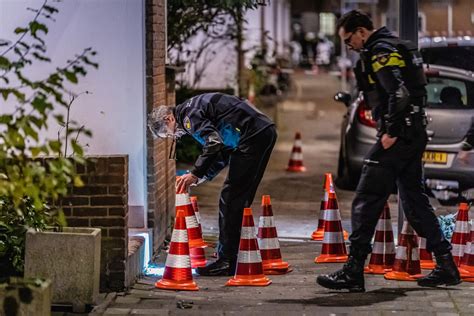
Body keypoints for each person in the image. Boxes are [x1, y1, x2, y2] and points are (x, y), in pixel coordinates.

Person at [316, 10, 461, 292]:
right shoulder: (391, 45)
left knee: (367, 196)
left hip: (401, 135)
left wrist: (391, 132)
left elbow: (399, 92)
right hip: (412, 132)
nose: (349, 46)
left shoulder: (380, 50)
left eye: (349, 40)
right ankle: (446, 266)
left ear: (361, 31)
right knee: (414, 202)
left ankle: (353, 271)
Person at [148, 93, 277, 276]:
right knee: (240, 198)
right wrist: (202, 175)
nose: (175, 136)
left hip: (251, 135)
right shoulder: (191, 108)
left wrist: (195, 173)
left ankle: (226, 261)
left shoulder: (188, 117)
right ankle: (233, 251)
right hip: (262, 130)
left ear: (169, 118)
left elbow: (214, 143)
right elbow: (223, 146)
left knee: (231, 198)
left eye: (169, 132)